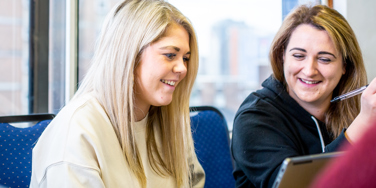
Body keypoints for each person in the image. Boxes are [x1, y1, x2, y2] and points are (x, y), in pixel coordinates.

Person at [30, 0, 205, 187]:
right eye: (170, 55)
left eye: (186, 58)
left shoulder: (170, 122)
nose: (183, 69)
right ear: (129, 55)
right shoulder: (77, 130)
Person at [231, 4, 376, 188]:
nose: (309, 71)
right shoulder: (253, 118)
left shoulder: (357, 108)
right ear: (282, 56)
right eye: (299, 56)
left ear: (345, 66)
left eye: (324, 59)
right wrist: (363, 124)